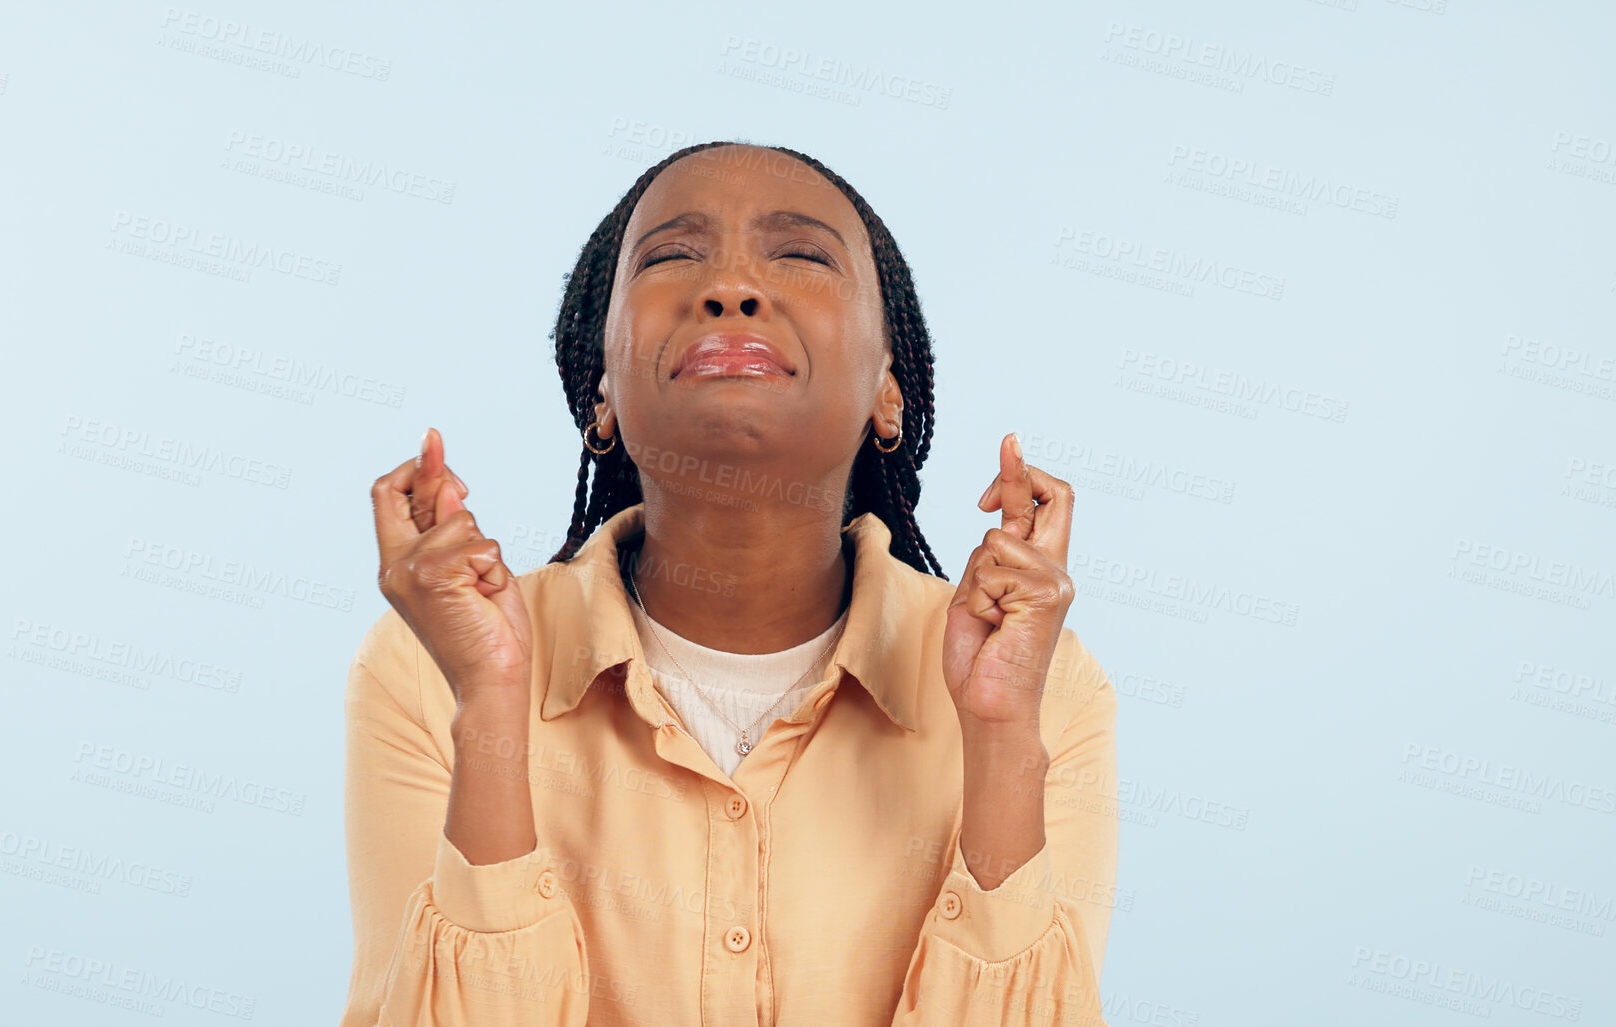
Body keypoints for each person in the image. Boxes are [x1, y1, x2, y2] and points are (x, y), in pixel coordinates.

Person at [341, 141, 1118, 1026]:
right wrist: (488, 705)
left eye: (800, 254)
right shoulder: (426, 668)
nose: (732, 289)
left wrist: (999, 734)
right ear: (598, 393)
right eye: (673, 256)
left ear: (887, 394)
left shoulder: (1045, 686)